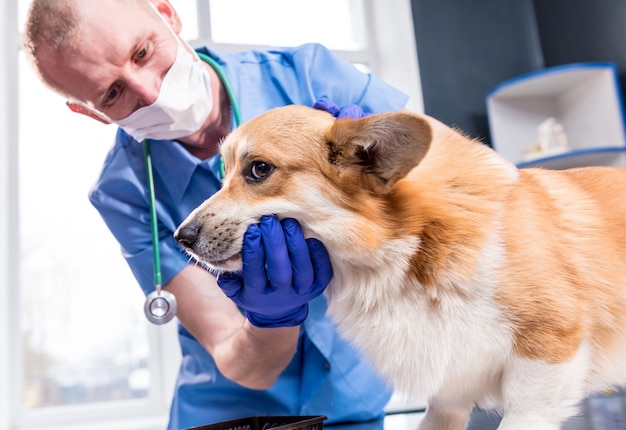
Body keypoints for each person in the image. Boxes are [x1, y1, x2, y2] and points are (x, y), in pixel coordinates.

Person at [23, 0, 410, 429]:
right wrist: (273, 315)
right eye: (112, 94)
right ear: (90, 113)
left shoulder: (305, 75)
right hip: (231, 415)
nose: (150, 91)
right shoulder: (125, 192)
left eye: (143, 53)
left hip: (352, 404)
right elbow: (245, 363)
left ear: (166, 15)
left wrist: (375, 165)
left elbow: (455, 179)